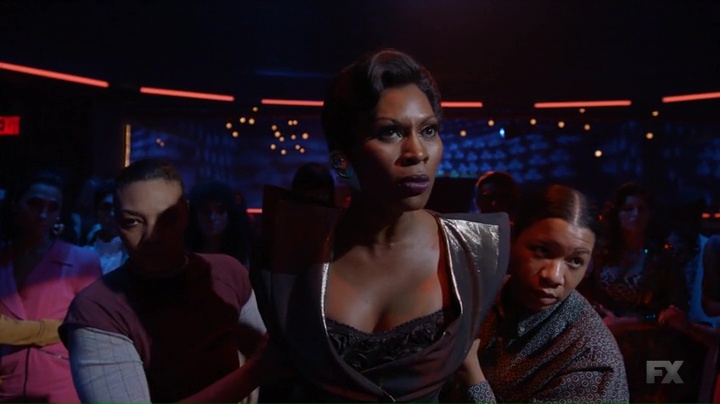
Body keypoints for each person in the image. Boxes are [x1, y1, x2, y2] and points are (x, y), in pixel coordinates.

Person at [254, 49, 510, 404]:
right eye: (390, 132)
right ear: (343, 159)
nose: (417, 152)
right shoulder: (290, 253)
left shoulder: (477, 253)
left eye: (429, 130)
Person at [59, 159, 267, 404]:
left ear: (186, 214)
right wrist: (253, 374)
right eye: (133, 221)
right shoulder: (98, 308)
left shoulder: (226, 273)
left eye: (167, 219)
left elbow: (269, 352)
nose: (152, 236)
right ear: (117, 223)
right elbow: (264, 363)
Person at [454, 184, 629, 403]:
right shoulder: (480, 295)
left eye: (575, 261)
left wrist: (472, 377)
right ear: (512, 238)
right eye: (542, 250)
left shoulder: (592, 358)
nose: (554, 276)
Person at [0, 169, 102, 404]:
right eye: (34, 204)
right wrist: (57, 329)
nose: (43, 214)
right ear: (16, 204)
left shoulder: (82, 261)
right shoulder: (3, 259)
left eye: (53, 207)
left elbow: (92, 328)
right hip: (8, 386)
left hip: (61, 387)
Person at [186, 181, 255, 267]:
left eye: (220, 211)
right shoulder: (184, 252)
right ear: (195, 215)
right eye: (205, 211)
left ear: (230, 214)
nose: (212, 218)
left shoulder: (247, 250)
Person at [84, 180, 128, 274]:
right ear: (96, 212)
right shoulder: (83, 252)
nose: (112, 214)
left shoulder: (135, 255)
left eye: (117, 208)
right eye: (106, 208)